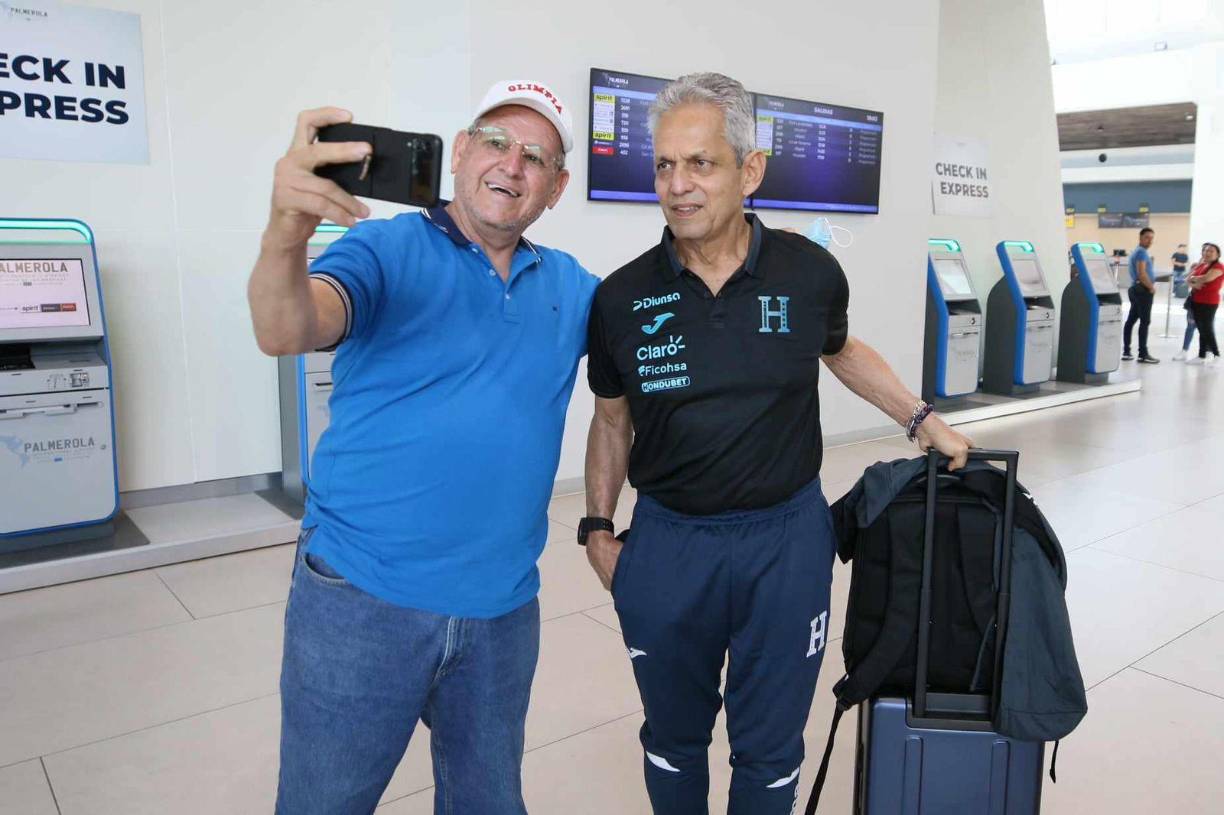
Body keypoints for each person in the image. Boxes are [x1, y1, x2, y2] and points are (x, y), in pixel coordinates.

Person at [580, 72, 973, 815]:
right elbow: (610, 419)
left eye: (701, 163)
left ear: (750, 170)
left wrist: (923, 419)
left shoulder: (809, 272)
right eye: (664, 165)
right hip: (668, 544)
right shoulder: (620, 297)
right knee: (672, 739)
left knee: (770, 748)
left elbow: (841, 349)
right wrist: (599, 528)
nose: (677, 185)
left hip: (785, 542)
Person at [246, 80, 599, 814]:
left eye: (536, 156)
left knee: (487, 802)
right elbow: (286, 327)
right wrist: (286, 230)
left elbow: (663, 340)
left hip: (502, 612)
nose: (512, 165)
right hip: (362, 602)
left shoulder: (571, 286)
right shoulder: (384, 249)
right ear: (461, 151)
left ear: (557, 188)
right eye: (495, 141)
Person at [1122, 226, 1159, 363]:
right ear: (1140, 237)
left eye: (1151, 238)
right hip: (1142, 290)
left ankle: (1126, 351)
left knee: (1131, 320)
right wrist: (1151, 287)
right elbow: (1142, 274)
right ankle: (1143, 354)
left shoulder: (1137, 251)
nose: (1149, 241)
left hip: (1135, 289)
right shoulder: (1142, 252)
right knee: (1145, 322)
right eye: (1147, 237)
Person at [1185, 242, 1223, 367]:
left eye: (1211, 251)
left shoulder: (1219, 266)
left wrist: (1193, 279)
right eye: (1205, 250)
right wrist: (1193, 281)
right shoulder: (1202, 265)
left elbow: (1207, 278)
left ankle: (1216, 354)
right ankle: (1201, 355)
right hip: (1196, 300)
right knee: (1201, 329)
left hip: (1209, 302)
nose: (1207, 253)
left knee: (1206, 328)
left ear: (1217, 254)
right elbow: (1187, 279)